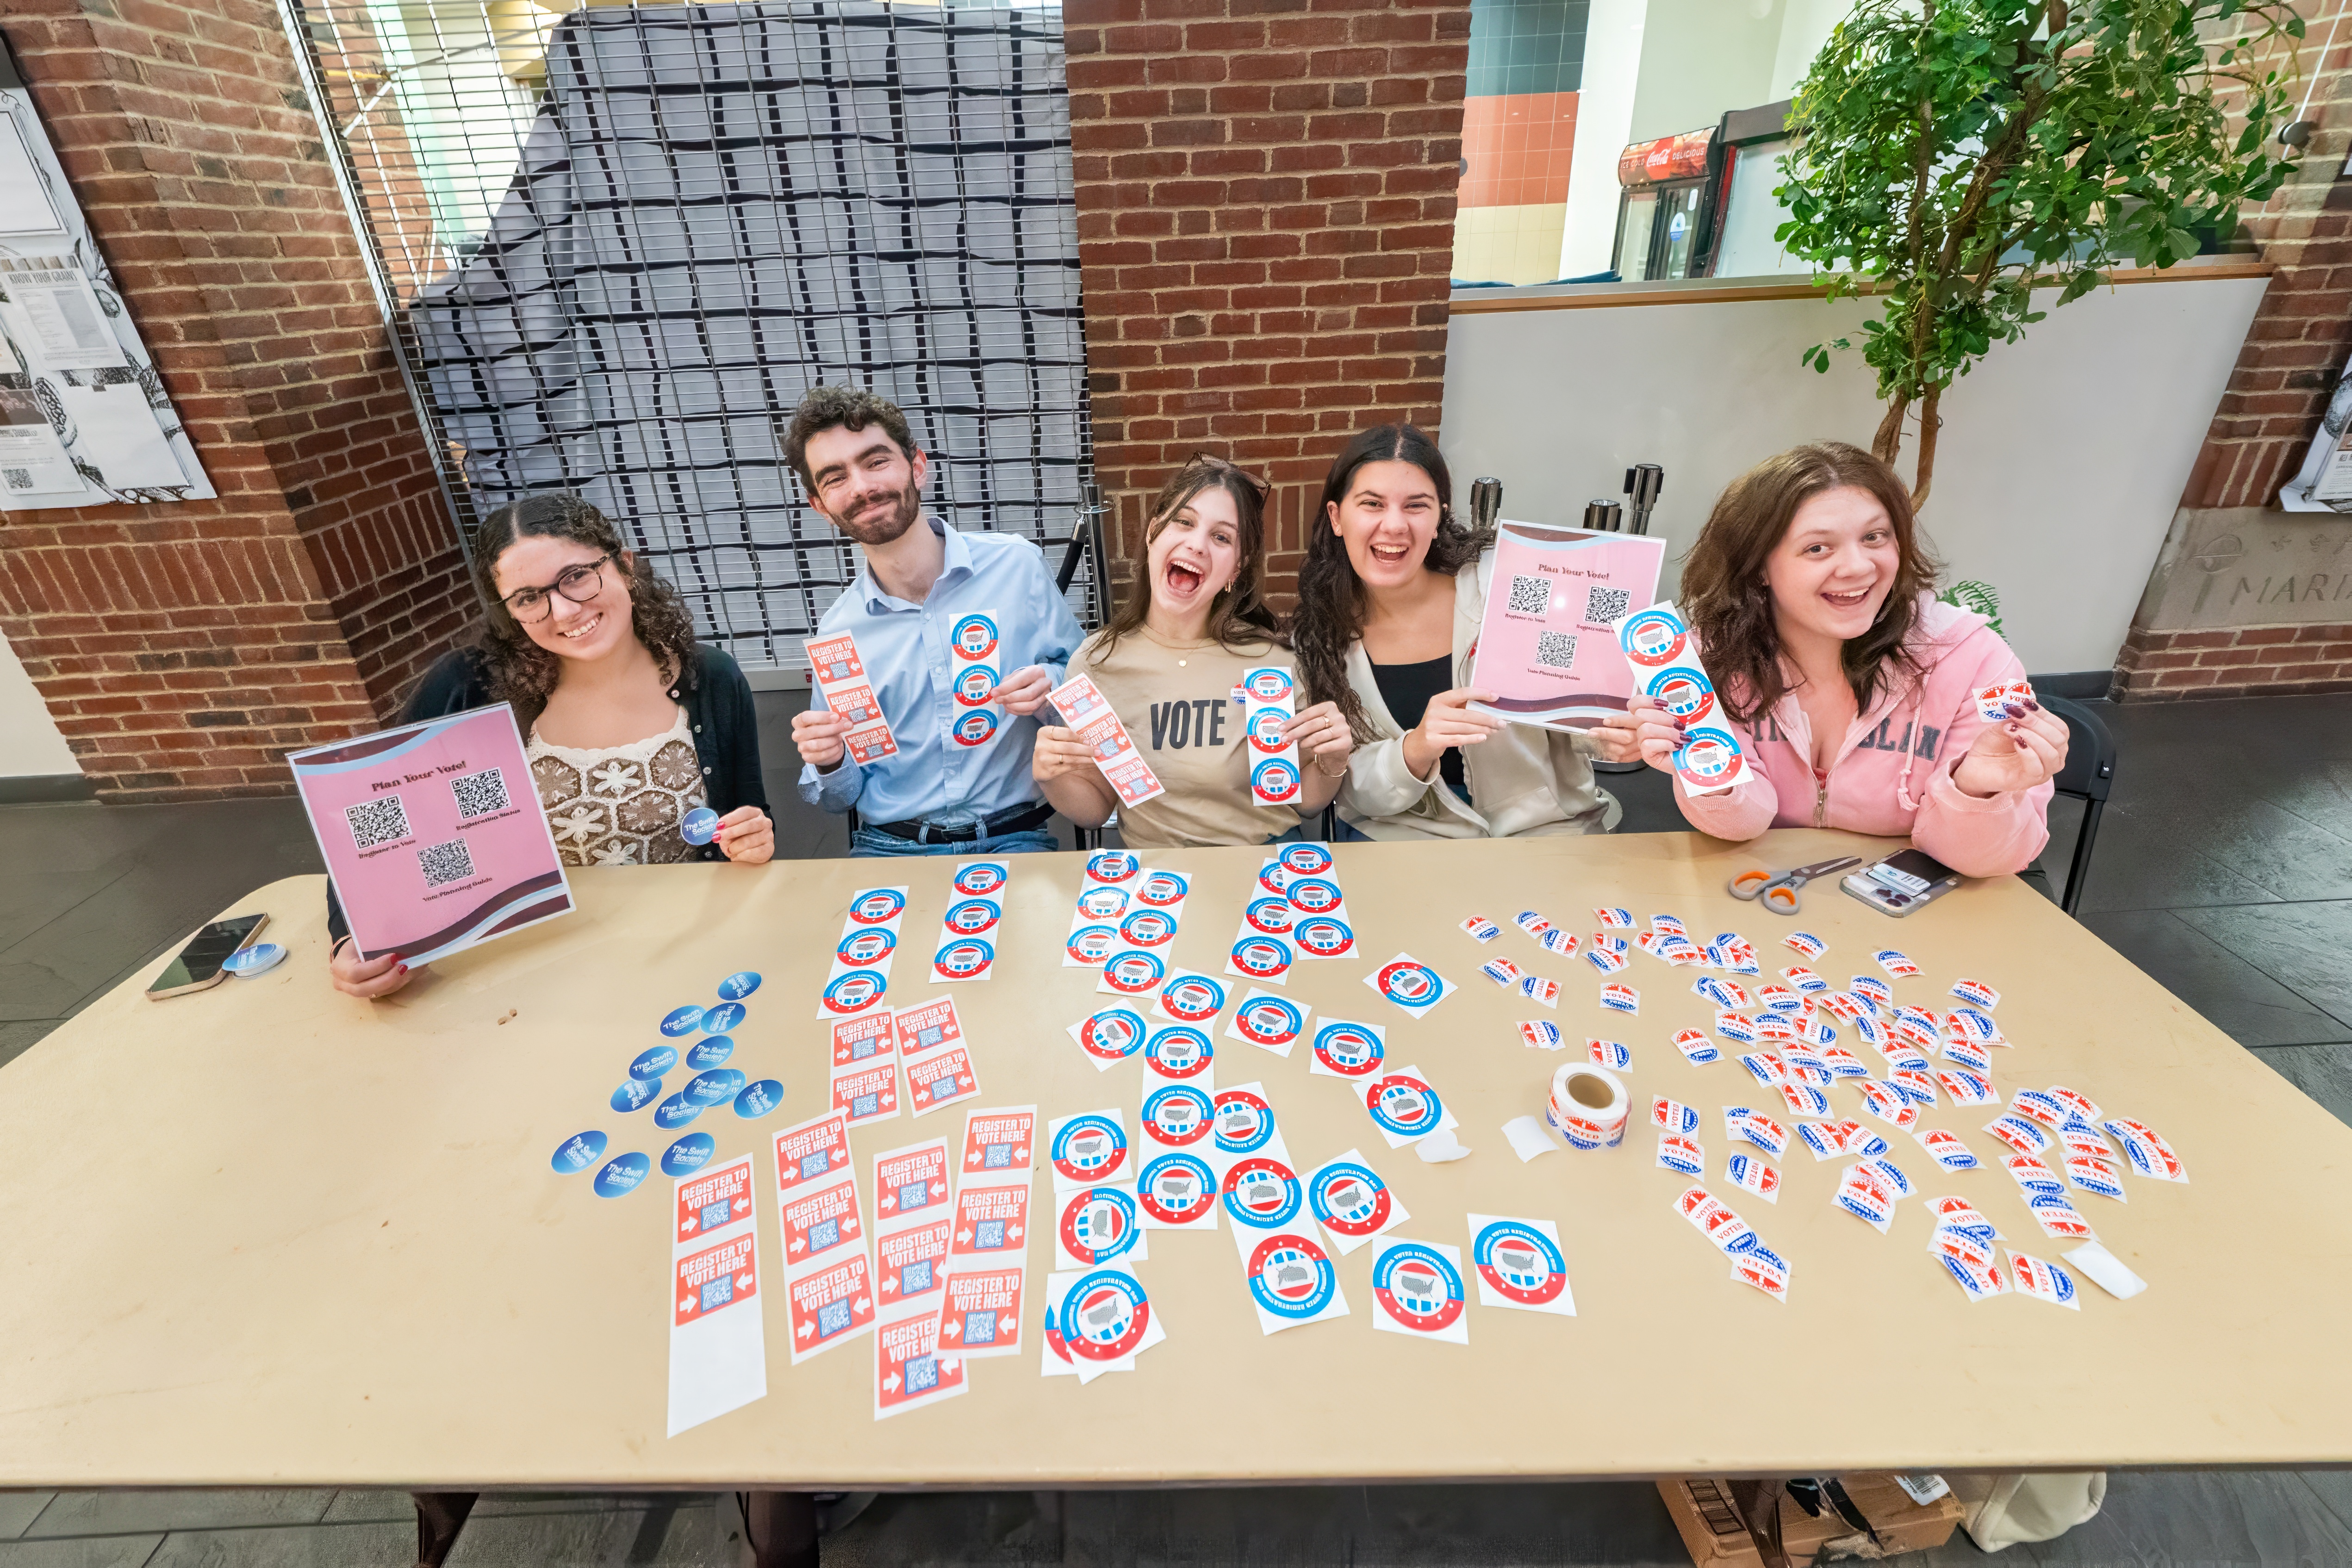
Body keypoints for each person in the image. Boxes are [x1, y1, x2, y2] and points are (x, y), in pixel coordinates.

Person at [329, 494, 773, 1000]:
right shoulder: (470, 688)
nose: (563, 610)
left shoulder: (710, 678)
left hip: (687, 956)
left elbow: (751, 816)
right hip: (527, 973)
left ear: (624, 567)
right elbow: (371, 821)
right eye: (527, 598)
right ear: (509, 613)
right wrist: (349, 936)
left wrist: (753, 840)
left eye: (576, 576)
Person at [1593, 442, 2066, 875]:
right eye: (1818, 548)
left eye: (1876, 537)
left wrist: (1977, 789)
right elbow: (1742, 824)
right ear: (1759, 566)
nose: (1859, 567)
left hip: (1925, 904)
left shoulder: (1979, 660)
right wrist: (1704, 772)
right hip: (1767, 891)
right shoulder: (1706, 659)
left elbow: (1990, 860)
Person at [784, 386, 1083, 856]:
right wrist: (830, 760)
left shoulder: (1017, 567)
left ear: (917, 467)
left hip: (1015, 838)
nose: (862, 487)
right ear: (821, 506)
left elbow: (1089, 698)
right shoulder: (838, 632)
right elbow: (840, 797)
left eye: (876, 461)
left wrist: (1052, 686)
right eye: (835, 477)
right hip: (887, 848)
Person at [1288, 423, 1619, 839]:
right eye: (1372, 504)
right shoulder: (1320, 637)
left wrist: (1616, 734)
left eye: (1416, 506)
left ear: (1440, 516)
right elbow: (1353, 793)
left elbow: (1580, 711)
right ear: (1337, 517)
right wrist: (1417, 748)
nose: (1394, 525)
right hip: (1407, 842)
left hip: (1544, 834)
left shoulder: (1507, 583)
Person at [1031, 455, 1352, 846]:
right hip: (1158, 884)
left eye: (1222, 537)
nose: (1197, 544)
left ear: (1237, 567)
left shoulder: (1273, 661)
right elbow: (1097, 809)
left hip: (1265, 873)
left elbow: (1307, 803)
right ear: (1153, 533)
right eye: (1183, 521)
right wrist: (1051, 776)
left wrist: (1333, 761)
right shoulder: (1097, 662)